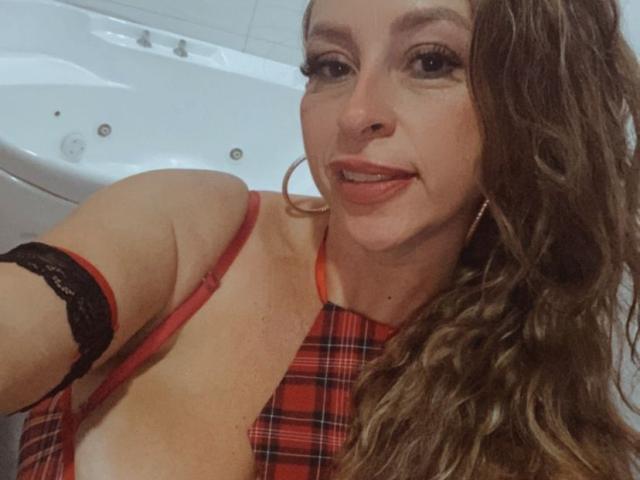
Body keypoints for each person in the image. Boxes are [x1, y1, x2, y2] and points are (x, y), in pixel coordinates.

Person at [1, 0, 640, 478]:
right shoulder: (199, 227)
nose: (356, 114)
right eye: (331, 66)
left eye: (431, 61)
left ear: (533, 102)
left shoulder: (537, 408)